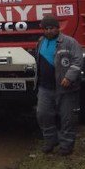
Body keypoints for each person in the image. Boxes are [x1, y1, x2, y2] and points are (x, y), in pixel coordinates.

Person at [35, 14, 83, 155]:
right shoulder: (40, 42)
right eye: (46, 28)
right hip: (45, 87)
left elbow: (78, 61)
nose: (49, 31)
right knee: (43, 114)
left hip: (66, 88)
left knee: (67, 117)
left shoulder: (70, 42)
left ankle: (66, 146)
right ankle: (50, 141)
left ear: (58, 28)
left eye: (52, 28)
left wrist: (69, 77)